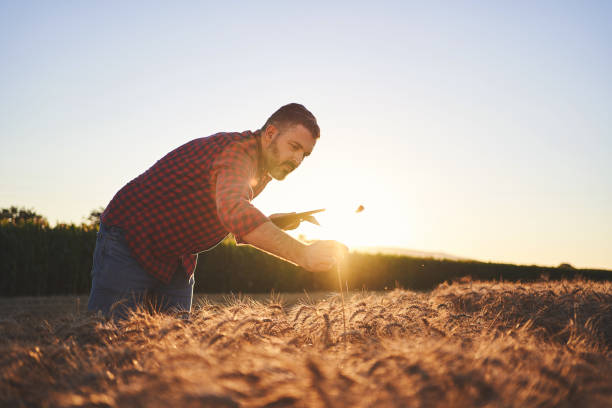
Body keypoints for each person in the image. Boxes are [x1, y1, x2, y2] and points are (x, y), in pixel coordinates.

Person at [87, 103, 348, 319]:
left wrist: (271, 223)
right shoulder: (237, 153)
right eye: (294, 147)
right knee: (109, 339)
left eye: (305, 154)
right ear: (270, 133)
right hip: (130, 241)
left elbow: (230, 216)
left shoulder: (261, 169)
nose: (298, 161)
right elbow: (234, 211)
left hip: (178, 257)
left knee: (171, 351)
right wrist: (303, 253)